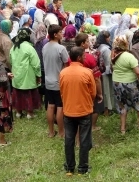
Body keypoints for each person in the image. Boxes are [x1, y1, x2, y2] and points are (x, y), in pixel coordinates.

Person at [60, 47, 96, 176]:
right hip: (84, 110)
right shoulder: (87, 73)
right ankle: (83, 168)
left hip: (68, 110)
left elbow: (62, 90)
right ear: (80, 57)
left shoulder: (63, 72)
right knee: (84, 139)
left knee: (69, 139)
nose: (85, 57)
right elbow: (93, 93)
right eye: (84, 56)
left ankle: (69, 168)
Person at [112, 36, 139, 134]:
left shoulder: (114, 55)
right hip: (129, 83)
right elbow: (138, 72)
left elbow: (112, 68)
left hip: (116, 83)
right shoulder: (128, 56)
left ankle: (122, 128)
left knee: (122, 105)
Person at [42, 24, 69, 138]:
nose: (62, 34)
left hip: (48, 81)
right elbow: (67, 63)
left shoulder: (45, 47)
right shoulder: (60, 48)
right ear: (55, 34)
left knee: (50, 106)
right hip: (59, 81)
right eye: (60, 32)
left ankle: (51, 131)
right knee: (60, 107)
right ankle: (61, 132)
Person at [10, 28, 42, 119]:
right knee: (28, 93)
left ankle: (18, 112)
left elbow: (11, 61)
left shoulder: (14, 47)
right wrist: (38, 75)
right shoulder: (29, 48)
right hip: (27, 75)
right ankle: (29, 113)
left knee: (18, 93)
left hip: (16, 74)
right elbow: (36, 64)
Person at [74, 33, 103, 131]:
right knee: (95, 107)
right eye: (87, 41)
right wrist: (99, 93)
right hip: (89, 87)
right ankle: (92, 126)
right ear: (82, 44)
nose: (89, 43)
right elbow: (97, 78)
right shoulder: (89, 57)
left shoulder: (71, 56)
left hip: (75, 86)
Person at [95, 31, 114, 116]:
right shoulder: (106, 49)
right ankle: (107, 109)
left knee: (103, 90)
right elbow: (109, 62)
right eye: (108, 37)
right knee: (107, 91)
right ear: (105, 38)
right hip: (106, 72)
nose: (109, 39)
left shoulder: (99, 47)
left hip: (100, 71)